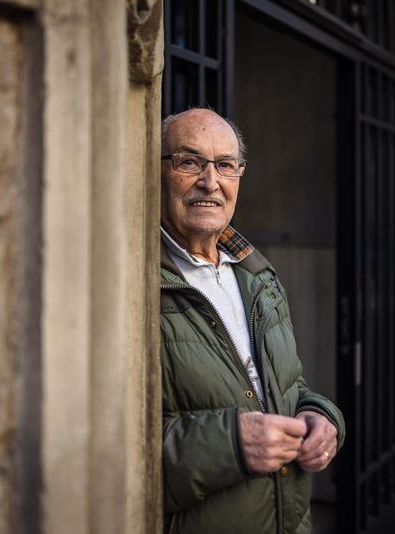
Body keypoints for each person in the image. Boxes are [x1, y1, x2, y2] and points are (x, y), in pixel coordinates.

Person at [160, 108, 346, 534]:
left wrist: (323, 416)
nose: (210, 182)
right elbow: (110, 452)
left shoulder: (256, 275)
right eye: (189, 162)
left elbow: (286, 387)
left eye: (225, 165)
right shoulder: (136, 286)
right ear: (158, 171)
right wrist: (230, 445)